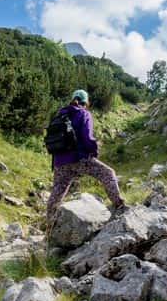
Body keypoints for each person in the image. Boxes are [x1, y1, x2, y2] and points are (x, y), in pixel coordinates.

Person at [45, 89, 125, 222]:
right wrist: (94, 152)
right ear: (86, 102)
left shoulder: (59, 114)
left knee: (57, 191)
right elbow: (87, 137)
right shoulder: (83, 113)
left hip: (59, 161)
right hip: (78, 158)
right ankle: (120, 206)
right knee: (108, 173)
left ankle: (48, 223)